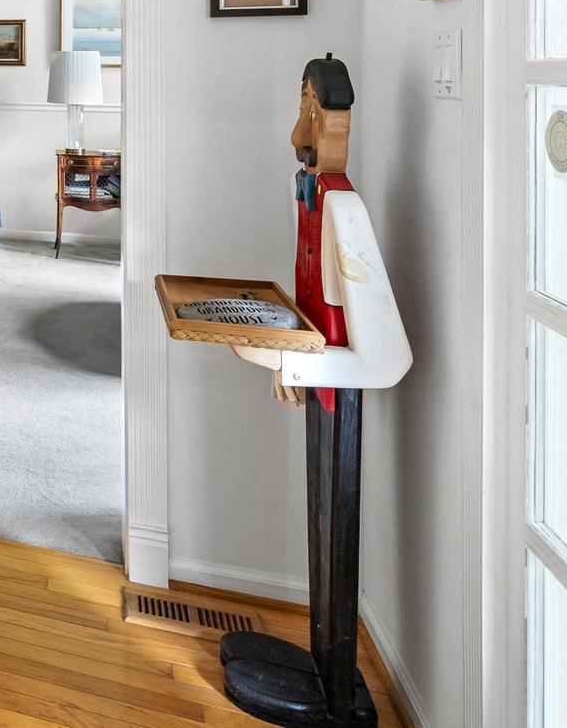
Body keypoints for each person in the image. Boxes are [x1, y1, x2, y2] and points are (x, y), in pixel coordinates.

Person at [218, 55, 412, 727]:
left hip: (337, 374)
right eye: (303, 101)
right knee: (319, 506)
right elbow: (311, 292)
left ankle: (334, 686)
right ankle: (320, 660)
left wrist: (300, 364)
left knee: (336, 505)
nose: (305, 118)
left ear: (334, 117)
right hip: (315, 359)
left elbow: (377, 339)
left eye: (315, 105)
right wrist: (288, 359)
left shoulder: (342, 202)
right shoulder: (311, 189)